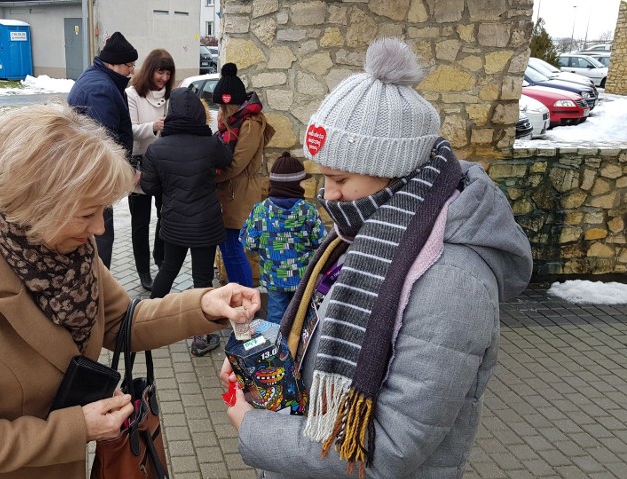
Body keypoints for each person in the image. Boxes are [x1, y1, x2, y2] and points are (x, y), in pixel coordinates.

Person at [220, 37, 533, 478]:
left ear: (395, 170)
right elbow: (327, 330)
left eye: (340, 178)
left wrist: (253, 427)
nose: (327, 196)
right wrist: (261, 354)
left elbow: (388, 450)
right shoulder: (368, 232)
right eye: (323, 177)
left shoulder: (453, 284)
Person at [0, 104, 261, 479]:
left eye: (101, 211)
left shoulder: (68, 249)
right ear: (38, 206)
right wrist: (76, 428)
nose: (99, 229)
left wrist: (203, 304)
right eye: (87, 213)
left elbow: (122, 321)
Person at [141, 87, 233, 356]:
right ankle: (202, 337)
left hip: (173, 223)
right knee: (202, 278)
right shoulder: (210, 144)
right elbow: (226, 159)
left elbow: (149, 187)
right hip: (205, 223)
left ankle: (145, 323)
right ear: (198, 113)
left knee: (168, 269)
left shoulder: (157, 149)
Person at [67, 31, 138, 269]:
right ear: (113, 64)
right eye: (129, 65)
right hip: (95, 182)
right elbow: (103, 146)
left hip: (86, 179)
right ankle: (98, 292)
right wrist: (122, 173)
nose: (132, 71)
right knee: (100, 236)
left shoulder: (97, 78)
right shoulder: (101, 90)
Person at [240, 152, 326, 325]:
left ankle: (277, 348)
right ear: (296, 184)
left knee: (276, 316)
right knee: (301, 316)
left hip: (274, 277)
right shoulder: (308, 211)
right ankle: (300, 349)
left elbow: (249, 242)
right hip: (302, 277)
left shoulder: (260, 211)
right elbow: (320, 241)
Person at [213, 62, 275, 288]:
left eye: (223, 106)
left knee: (233, 248)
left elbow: (238, 163)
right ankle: (238, 295)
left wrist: (212, 178)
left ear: (233, 104)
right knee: (228, 247)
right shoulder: (235, 122)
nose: (221, 111)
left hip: (238, 193)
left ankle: (245, 297)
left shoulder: (250, 123)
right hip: (230, 192)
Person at [126, 48, 175, 290]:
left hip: (164, 163)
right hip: (138, 163)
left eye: (168, 73)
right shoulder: (132, 94)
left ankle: (160, 259)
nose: (164, 77)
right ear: (150, 70)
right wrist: (154, 126)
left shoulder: (171, 96)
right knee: (140, 222)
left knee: (165, 216)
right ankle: (143, 270)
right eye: (160, 71)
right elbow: (131, 129)